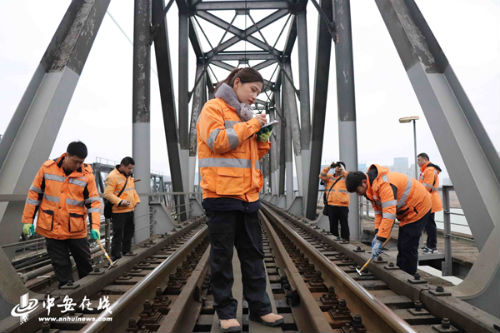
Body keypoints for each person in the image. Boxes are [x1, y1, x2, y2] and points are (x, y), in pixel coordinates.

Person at [197, 67, 283, 332]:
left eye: (259, 92)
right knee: (222, 259)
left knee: (254, 256)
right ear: (236, 83)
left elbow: (251, 154)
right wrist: (254, 125)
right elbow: (219, 141)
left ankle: (261, 309)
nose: (255, 97)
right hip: (221, 195)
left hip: (248, 196)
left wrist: (263, 138)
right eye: (252, 90)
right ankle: (226, 312)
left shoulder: (243, 116)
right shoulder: (213, 108)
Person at [21, 141, 101, 287]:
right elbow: (34, 195)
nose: (78, 165)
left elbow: (94, 203)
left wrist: (95, 226)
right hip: (52, 229)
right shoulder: (47, 169)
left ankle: (88, 295)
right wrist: (28, 220)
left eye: (81, 162)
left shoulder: (87, 175)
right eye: (76, 161)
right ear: (67, 155)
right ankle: (68, 298)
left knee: (85, 264)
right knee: (61, 266)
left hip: (75, 230)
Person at [345, 164, 432, 275]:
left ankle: (408, 276)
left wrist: (381, 239)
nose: (358, 194)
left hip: (419, 206)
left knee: (408, 245)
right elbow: (378, 213)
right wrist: (377, 234)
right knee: (402, 244)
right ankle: (402, 273)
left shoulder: (384, 185)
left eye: (357, 191)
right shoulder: (371, 189)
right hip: (407, 210)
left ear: (363, 182)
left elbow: (389, 214)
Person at [103, 156, 140, 261]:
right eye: (129, 168)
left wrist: (136, 201)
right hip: (118, 211)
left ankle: (126, 251)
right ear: (122, 166)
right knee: (118, 234)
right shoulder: (112, 176)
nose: (130, 170)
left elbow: (132, 190)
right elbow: (107, 194)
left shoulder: (128, 176)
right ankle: (116, 256)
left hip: (129, 210)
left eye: (132, 168)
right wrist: (120, 202)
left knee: (129, 231)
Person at [417, 153, 443, 254]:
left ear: (425, 159)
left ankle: (433, 247)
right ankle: (429, 245)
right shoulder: (426, 170)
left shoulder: (429, 170)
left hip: (430, 200)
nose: (418, 162)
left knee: (430, 224)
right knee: (428, 224)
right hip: (428, 200)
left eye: (419, 160)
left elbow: (427, 187)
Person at [319, 161, 350, 241]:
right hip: (331, 205)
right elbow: (321, 175)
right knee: (333, 225)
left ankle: (345, 240)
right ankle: (335, 241)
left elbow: (351, 177)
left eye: (339, 167)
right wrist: (329, 167)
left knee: (344, 225)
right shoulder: (330, 177)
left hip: (343, 206)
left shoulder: (346, 178)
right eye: (336, 166)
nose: (338, 168)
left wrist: (343, 171)